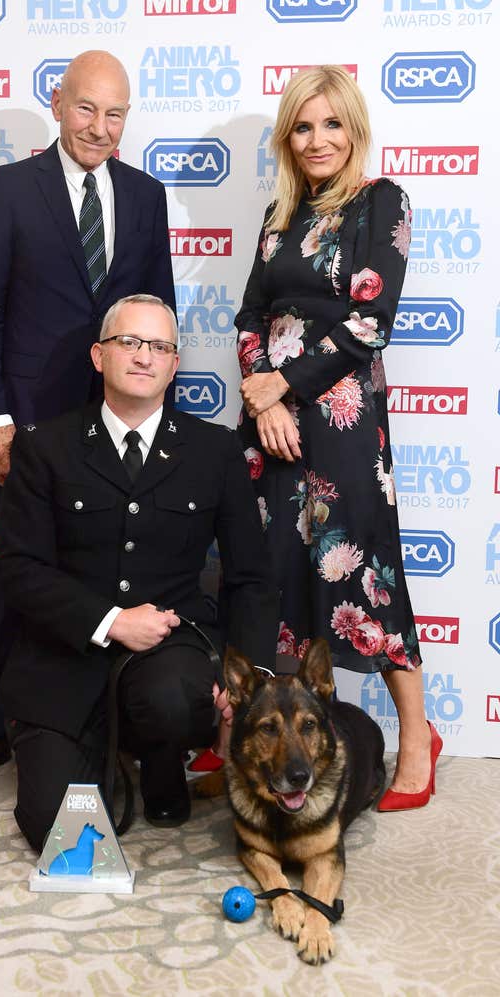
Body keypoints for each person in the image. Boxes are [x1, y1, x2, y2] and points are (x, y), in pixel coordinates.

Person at [0, 51, 176, 796]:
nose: (100, 128)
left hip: (118, 418)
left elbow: (158, 309)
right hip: (31, 422)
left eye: (116, 114)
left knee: (109, 567)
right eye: (86, 109)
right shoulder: (10, 189)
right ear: (57, 102)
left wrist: (156, 411)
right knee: (15, 571)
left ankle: (98, 725)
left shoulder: (145, 195)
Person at [0, 294, 278, 848]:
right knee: (58, 831)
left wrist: (253, 685)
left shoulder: (214, 450)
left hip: (169, 655)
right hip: (63, 660)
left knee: (173, 697)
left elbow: (252, 578)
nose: (144, 356)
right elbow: (19, 569)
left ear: (174, 365)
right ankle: (93, 750)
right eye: (129, 342)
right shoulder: (44, 447)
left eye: (160, 346)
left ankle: (162, 759)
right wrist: (111, 620)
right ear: (99, 356)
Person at [232, 65, 441, 812]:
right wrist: (263, 400)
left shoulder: (382, 202)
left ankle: (419, 737)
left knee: (367, 573)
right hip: (274, 426)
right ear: (288, 137)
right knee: (274, 573)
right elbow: (249, 319)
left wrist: (284, 386)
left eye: (331, 123)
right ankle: (268, 738)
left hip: (344, 419)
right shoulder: (278, 213)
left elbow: (369, 323)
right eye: (302, 125)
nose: (316, 139)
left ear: (352, 129)